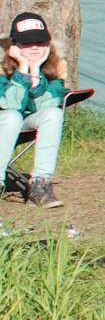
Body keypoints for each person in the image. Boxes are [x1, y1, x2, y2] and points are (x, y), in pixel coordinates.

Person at [0, 12, 70, 209]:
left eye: (40, 43)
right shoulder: (0, 65)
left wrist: (36, 71)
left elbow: (45, 105)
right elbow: (10, 104)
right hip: (4, 119)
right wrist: (22, 69)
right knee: (12, 116)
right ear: (13, 46)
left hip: (24, 121)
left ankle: (41, 185)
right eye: (26, 43)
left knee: (53, 114)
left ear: (48, 45)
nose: (34, 47)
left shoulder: (57, 66)